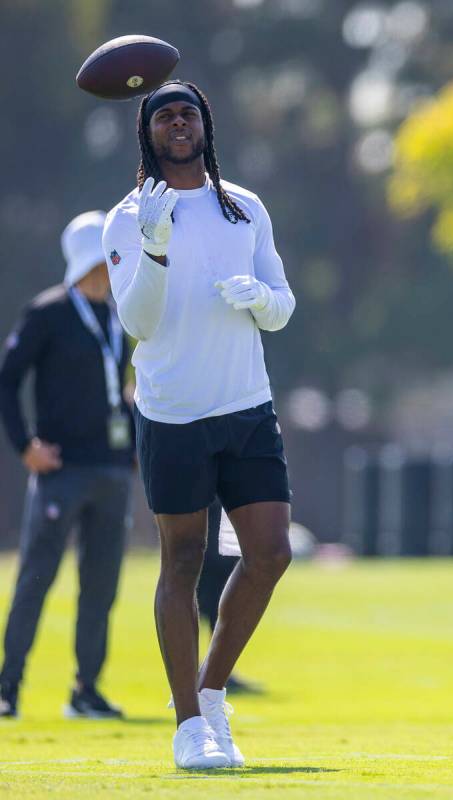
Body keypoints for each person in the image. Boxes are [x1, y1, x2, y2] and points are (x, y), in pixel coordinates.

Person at [103, 80, 295, 769]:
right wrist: (153, 249)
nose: (177, 124)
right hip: (172, 411)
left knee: (270, 552)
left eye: (187, 113)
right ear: (147, 134)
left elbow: (281, 302)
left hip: (245, 404)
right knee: (182, 560)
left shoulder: (243, 206)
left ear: (204, 125)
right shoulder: (129, 217)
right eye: (164, 116)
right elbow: (137, 322)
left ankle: (211, 695)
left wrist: (260, 299)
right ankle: (188, 726)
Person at [0, 211, 134, 720]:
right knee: (36, 578)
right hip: (60, 470)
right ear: (87, 262)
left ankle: (86, 688)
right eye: (105, 259)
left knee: (101, 585)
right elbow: (7, 381)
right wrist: (24, 445)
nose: (111, 269)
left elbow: (112, 385)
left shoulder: (118, 315)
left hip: (111, 470)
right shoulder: (48, 312)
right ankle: (8, 685)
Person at [199, 501, 263, 695]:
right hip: (211, 502)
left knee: (227, 577)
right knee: (214, 584)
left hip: (227, 504)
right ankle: (209, 672)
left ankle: (217, 669)